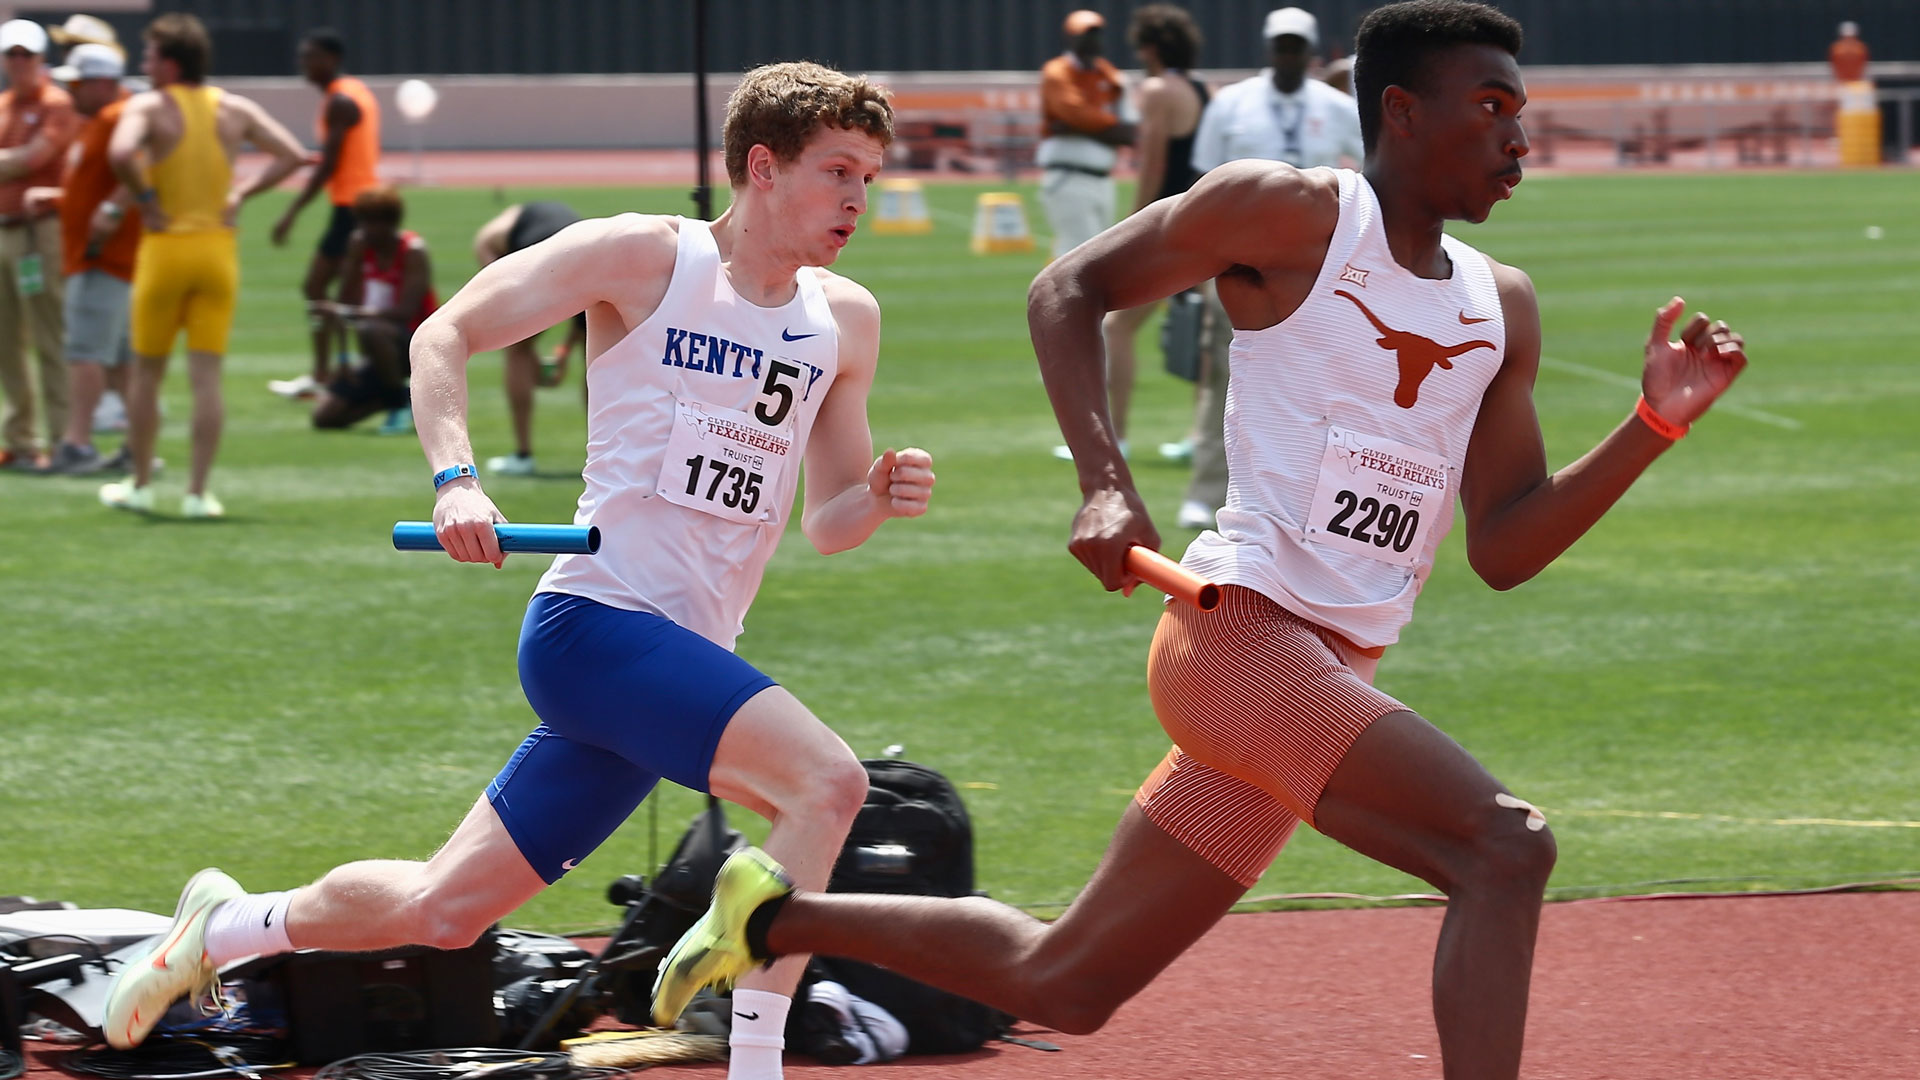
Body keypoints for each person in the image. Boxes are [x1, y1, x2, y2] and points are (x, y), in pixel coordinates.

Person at [653, 6, 1751, 1080]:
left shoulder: (1498, 305)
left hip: (1325, 675)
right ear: (1405, 112)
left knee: (1066, 981)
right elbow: (1067, 288)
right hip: (1241, 640)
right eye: (1493, 107)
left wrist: (1652, 427)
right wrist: (1105, 487)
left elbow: (1506, 545)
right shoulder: (1291, 214)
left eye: (1524, 110)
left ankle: (773, 913)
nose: (1519, 139)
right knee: (1506, 846)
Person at [103, 60, 937, 1080]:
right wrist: (457, 480)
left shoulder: (845, 319)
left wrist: (879, 494)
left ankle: (227, 924)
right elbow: (443, 332)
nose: (860, 196)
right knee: (828, 783)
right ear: (763, 167)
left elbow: (829, 522)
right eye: (839, 170)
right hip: (599, 630)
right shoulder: (641, 256)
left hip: (681, 660)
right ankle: (753, 1060)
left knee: (443, 910)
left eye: (871, 174)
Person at [97, 13, 308, 517]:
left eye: (149, 56)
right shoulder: (232, 107)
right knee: (206, 378)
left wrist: (146, 196)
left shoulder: (149, 105)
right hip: (217, 250)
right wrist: (241, 193)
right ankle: (197, 492)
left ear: (169, 61)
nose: (144, 66)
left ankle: (142, 483)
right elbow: (293, 154)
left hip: (166, 246)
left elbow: (121, 150)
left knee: (146, 375)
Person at [1057, 5, 1207, 468]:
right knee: (1211, 336)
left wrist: (1131, 222)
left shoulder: (1159, 90)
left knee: (1117, 327)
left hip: (1171, 226)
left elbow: (1154, 164)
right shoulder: (1202, 89)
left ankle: (1116, 436)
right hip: (1207, 221)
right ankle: (1200, 436)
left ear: (1152, 48)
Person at [22, 42, 142, 474]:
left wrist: (110, 211)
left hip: (101, 255)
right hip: (108, 255)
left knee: (85, 352)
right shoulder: (102, 119)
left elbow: (140, 169)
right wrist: (61, 199)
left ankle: (77, 444)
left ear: (102, 83)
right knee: (123, 359)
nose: (70, 91)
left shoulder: (118, 119)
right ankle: (136, 446)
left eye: (77, 83)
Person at [267, 28, 381, 400]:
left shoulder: (340, 101)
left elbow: (331, 165)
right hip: (361, 203)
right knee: (349, 295)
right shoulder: (353, 91)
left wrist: (291, 211)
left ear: (331, 58)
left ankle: (329, 376)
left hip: (351, 208)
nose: (304, 63)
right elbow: (346, 153)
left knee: (320, 289)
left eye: (310, 56)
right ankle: (343, 373)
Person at [0, 19, 81, 471]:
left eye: (25, 55)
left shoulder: (55, 103)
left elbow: (38, 157)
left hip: (39, 231)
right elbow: (19, 160)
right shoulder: (5, 104)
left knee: (49, 334)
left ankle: (64, 435)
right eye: (10, 55)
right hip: (5, 226)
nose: (18, 63)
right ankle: (20, 438)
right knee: (5, 341)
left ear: (40, 58)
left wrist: (13, 163)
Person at [469, 200, 586, 475]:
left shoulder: (487, 239)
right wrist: (564, 352)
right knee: (598, 357)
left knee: (516, 350)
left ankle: (523, 455)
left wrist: (527, 349)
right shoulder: (541, 215)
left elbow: (502, 296)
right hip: (584, 252)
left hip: (541, 252)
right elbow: (582, 319)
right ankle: (607, 457)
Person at [308, 185, 436, 430]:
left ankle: (396, 407)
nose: (365, 230)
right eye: (362, 222)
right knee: (325, 417)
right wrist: (344, 359)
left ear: (390, 223)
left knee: (371, 329)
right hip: (377, 350)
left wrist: (347, 313)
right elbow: (343, 304)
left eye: (372, 223)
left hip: (416, 345)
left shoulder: (412, 251)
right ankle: (404, 398)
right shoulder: (360, 246)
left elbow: (405, 312)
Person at [1037, 10, 1132, 265]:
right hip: (1069, 176)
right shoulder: (1057, 72)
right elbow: (1078, 114)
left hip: (1102, 179)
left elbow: (1130, 130)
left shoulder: (1109, 75)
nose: (1092, 42)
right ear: (1070, 39)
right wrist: (1108, 130)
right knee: (1080, 257)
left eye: (1096, 35)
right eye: (1084, 36)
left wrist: (1077, 127)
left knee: (1100, 257)